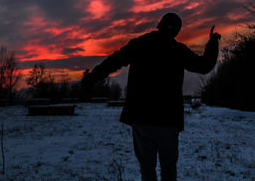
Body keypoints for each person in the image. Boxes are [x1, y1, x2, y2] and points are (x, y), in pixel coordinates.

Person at [82, 13, 220, 181]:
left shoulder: (139, 44)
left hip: (141, 116)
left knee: (147, 167)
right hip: (168, 118)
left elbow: (113, 61)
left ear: (159, 25)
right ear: (177, 31)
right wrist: (212, 44)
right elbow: (204, 66)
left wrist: (90, 78)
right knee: (168, 167)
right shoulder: (178, 50)